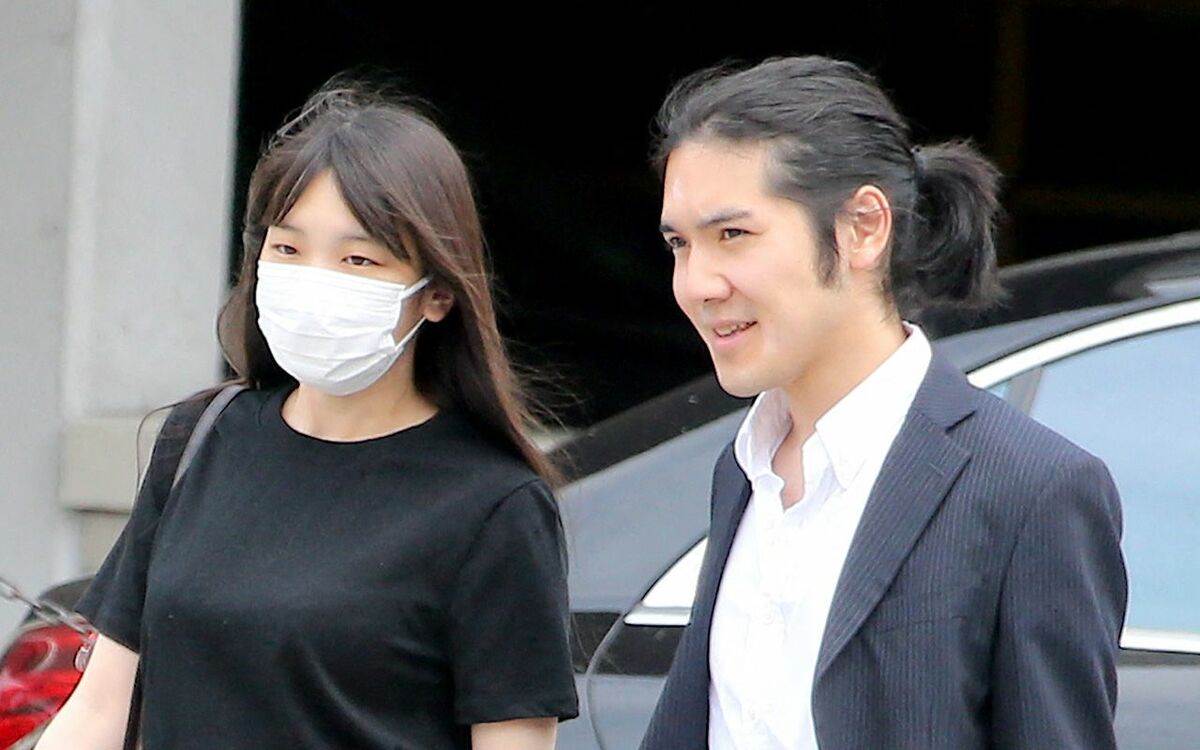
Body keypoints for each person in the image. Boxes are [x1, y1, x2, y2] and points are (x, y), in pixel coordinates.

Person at [38, 77, 578, 750]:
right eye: (288, 249)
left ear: (436, 294)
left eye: (358, 259)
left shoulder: (494, 506)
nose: (317, 282)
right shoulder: (202, 437)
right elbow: (100, 709)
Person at [640, 56, 1126, 750]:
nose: (697, 284)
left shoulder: (1030, 489)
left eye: (732, 236)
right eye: (679, 245)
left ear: (863, 227)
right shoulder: (745, 470)